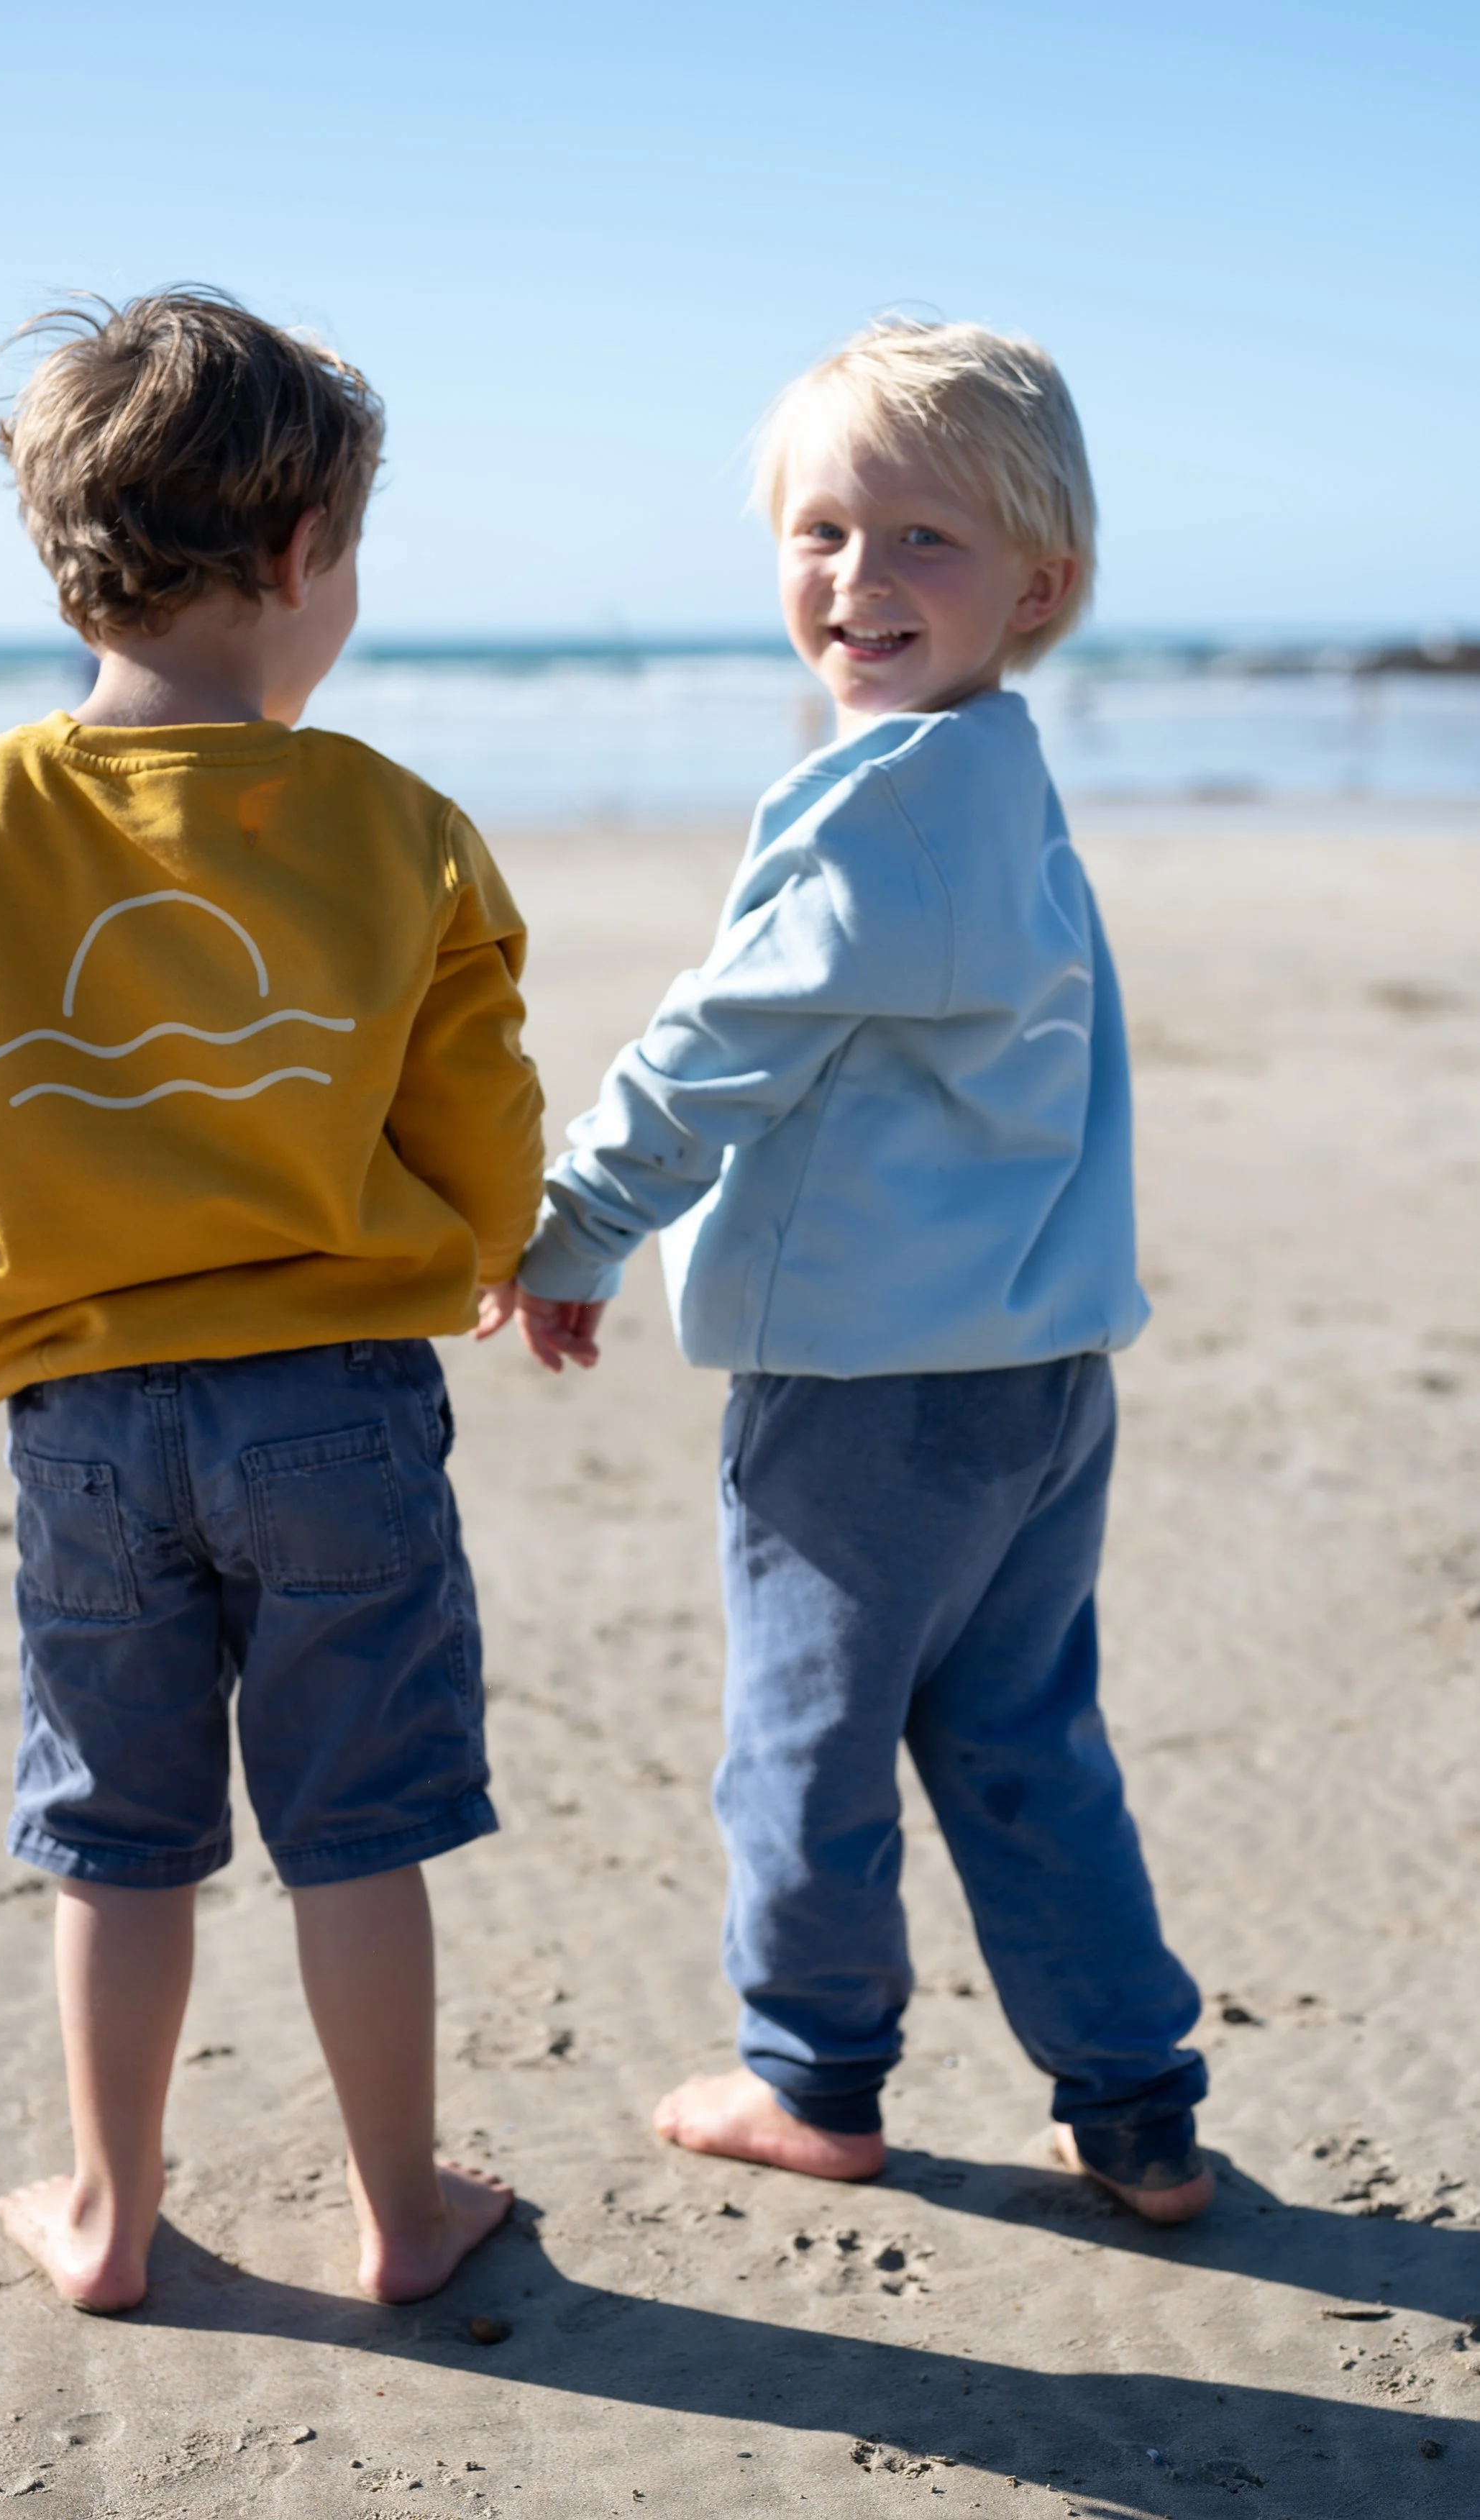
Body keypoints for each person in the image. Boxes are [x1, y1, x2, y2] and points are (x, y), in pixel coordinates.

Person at [0, 290, 546, 2309]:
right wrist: (497, 1247)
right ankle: (401, 2214)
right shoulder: (391, 823)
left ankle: (112, 2216)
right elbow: (478, 1094)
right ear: (301, 553)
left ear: (65, 557)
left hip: (88, 1428)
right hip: (338, 1404)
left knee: (112, 1830)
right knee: (356, 1824)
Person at [500, 319, 1212, 2224]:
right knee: (1023, 1740)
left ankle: (811, 2077)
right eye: (819, 530)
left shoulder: (884, 805)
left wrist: (578, 1218)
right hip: (1040, 1374)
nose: (856, 575)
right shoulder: (995, 776)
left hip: (868, 1391)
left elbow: (719, 1043)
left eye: (922, 540)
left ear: (1036, 585)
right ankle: (1134, 2105)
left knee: (803, 1747)